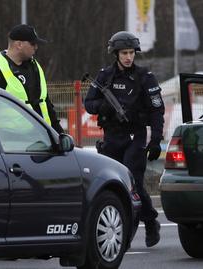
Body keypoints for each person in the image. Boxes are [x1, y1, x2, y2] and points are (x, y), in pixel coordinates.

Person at [84, 31, 164, 247]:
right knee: (113, 184)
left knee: (133, 183)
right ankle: (141, 221)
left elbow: (157, 110)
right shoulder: (105, 76)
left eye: (131, 53)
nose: (128, 57)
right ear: (116, 54)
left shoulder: (145, 77)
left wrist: (156, 140)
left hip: (135, 137)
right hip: (112, 137)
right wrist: (103, 107)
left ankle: (139, 228)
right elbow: (88, 103)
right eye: (124, 53)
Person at [0, 24, 64, 134]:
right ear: (19, 44)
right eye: (32, 44)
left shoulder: (35, 66)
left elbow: (46, 103)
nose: (36, 47)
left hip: (43, 139)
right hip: (12, 143)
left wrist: (60, 134)